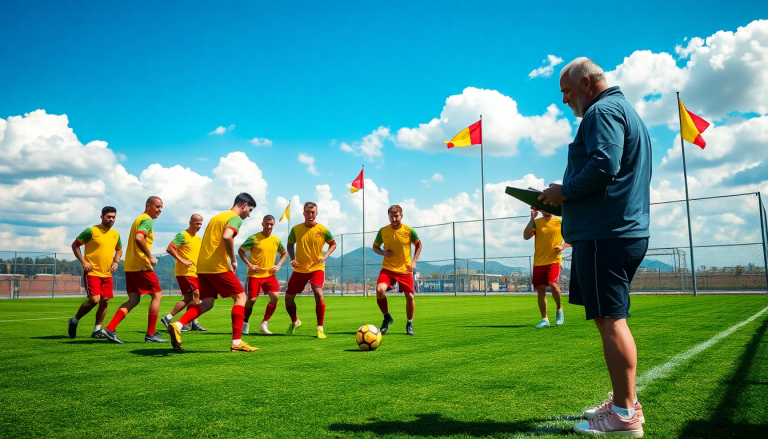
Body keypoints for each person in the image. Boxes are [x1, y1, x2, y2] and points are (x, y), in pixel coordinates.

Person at [538, 57, 650, 436]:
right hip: (616, 230)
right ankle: (625, 400)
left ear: (586, 83)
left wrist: (563, 191)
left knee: (610, 320)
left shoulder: (601, 112)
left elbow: (605, 165)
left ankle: (623, 415)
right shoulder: (624, 110)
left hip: (607, 233)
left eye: (567, 92)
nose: (565, 101)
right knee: (609, 318)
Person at [167, 193, 258, 352]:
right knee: (241, 297)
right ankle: (237, 342)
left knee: (207, 303)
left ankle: (178, 324)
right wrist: (233, 259)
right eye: (250, 210)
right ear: (243, 205)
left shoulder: (218, 216)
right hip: (217, 265)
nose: (249, 215)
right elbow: (226, 237)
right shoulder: (234, 218)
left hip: (202, 267)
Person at [102, 196, 168, 344]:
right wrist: (150, 256)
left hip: (130, 265)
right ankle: (151, 334)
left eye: (161, 207)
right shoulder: (147, 219)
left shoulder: (139, 218)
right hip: (140, 264)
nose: (160, 210)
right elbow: (139, 238)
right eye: (157, 207)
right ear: (148, 205)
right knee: (157, 295)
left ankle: (110, 329)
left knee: (134, 299)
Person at [68, 206, 123, 339]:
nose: (111, 219)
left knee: (105, 301)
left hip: (107, 274)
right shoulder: (91, 231)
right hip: (91, 272)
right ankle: (74, 321)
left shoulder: (116, 234)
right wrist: (83, 262)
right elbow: (75, 245)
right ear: (101, 217)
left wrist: (116, 262)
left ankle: (97, 330)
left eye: (113, 217)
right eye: (108, 217)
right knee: (94, 299)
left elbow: (119, 249)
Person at [284, 202, 337, 339]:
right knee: (288, 298)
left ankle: (320, 328)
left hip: (316, 268)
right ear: (303, 213)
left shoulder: (323, 230)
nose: (310, 215)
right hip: (300, 269)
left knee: (318, 293)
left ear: (316, 214)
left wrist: (325, 256)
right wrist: (292, 258)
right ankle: (295, 322)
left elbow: (333, 243)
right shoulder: (295, 229)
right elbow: (290, 244)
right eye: (308, 212)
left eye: (313, 212)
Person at [372, 205, 422, 335]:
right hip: (388, 268)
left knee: (410, 297)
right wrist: (382, 252)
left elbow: (419, 244)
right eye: (391, 217)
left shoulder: (408, 231)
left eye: (396, 216)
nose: (394, 219)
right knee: (379, 290)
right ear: (388, 217)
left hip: (405, 269)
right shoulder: (383, 231)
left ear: (401, 216)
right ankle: (387, 317)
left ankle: (409, 324)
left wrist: (414, 261)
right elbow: (375, 247)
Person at [238, 214, 287, 335]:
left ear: (273, 225)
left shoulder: (276, 240)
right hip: (254, 276)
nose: (269, 226)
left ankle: (264, 324)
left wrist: (278, 265)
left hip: (269, 275)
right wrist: (250, 264)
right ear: (262, 224)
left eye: (271, 224)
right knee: (252, 300)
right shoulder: (254, 238)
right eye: (267, 224)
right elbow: (241, 251)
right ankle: (245, 323)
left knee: (275, 297)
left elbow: (284, 253)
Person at [523, 207, 569, 328]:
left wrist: (562, 247)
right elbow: (526, 236)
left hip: (554, 260)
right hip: (538, 262)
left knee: (553, 284)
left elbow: (572, 238)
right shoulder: (537, 223)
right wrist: (531, 219)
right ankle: (545, 319)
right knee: (541, 290)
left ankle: (559, 310)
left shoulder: (560, 222)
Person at [162, 214, 206, 332]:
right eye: (197, 223)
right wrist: (182, 260)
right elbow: (170, 248)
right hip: (185, 272)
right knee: (195, 294)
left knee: (190, 297)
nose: (199, 226)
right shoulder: (183, 235)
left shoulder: (197, 238)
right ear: (190, 223)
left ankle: (171, 318)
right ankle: (189, 322)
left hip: (194, 272)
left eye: (201, 224)